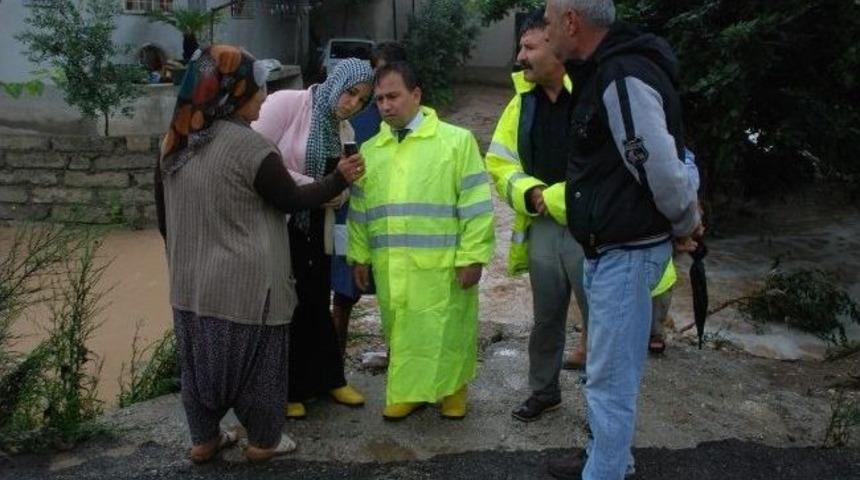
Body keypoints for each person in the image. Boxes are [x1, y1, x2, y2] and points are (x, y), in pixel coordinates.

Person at [154, 45, 365, 463]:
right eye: (257, 90)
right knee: (263, 368)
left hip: (190, 286)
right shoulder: (252, 149)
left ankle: (205, 439)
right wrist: (339, 179)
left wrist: (189, 255)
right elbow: (292, 199)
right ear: (233, 92)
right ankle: (264, 442)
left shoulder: (174, 141)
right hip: (248, 287)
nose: (265, 98)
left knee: (197, 366)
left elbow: (165, 220)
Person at [542, 1, 703, 479]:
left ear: (572, 21)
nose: (546, 33)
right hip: (615, 250)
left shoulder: (621, 75)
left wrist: (686, 222)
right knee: (608, 375)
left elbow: (661, 166)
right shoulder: (608, 70)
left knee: (609, 385)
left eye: (549, 22)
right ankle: (609, 459)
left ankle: (606, 471)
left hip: (627, 254)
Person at [347, 62, 495, 420]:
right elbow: (360, 209)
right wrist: (359, 255)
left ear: (416, 95)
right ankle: (410, 392)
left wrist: (473, 256)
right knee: (403, 329)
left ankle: (454, 389)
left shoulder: (455, 142)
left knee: (449, 329)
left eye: (393, 96)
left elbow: (476, 204)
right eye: (379, 99)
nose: (385, 105)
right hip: (393, 266)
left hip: (444, 265)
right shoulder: (372, 150)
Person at [252, 58, 374, 419]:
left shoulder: (344, 130)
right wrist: (319, 189)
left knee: (318, 300)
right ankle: (288, 388)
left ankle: (329, 379)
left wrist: (339, 192)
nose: (353, 104)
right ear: (336, 82)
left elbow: (346, 181)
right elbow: (255, 160)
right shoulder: (286, 105)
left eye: (362, 100)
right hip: (281, 223)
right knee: (286, 306)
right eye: (351, 93)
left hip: (318, 227)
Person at [486, 11, 589, 423]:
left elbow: (605, 167)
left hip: (590, 226)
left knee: (603, 323)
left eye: (528, 47)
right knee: (546, 318)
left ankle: (603, 407)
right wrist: (530, 193)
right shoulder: (521, 103)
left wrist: (555, 197)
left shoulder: (590, 92)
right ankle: (544, 391)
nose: (520, 57)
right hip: (543, 224)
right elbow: (498, 162)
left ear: (554, 44)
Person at [331, 42, 409, 359]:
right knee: (343, 294)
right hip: (352, 217)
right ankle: (334, 366)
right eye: (375, 71)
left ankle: (399, 358)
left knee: (398, 296)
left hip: (396, 223)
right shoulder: (354, 116)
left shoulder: (409, 121)